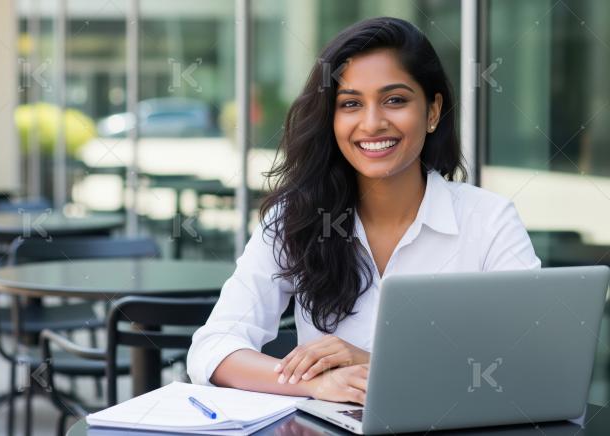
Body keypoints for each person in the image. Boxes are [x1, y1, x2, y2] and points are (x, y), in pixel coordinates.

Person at [186, 16, 541, 405]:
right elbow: (213, 346)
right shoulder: (297, 217)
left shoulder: (489, 220)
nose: (372, 123)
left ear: (433, 111)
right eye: (351, 103)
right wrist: (311, 383)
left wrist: (380, 365)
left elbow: (528, 367)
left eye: (395, 100)